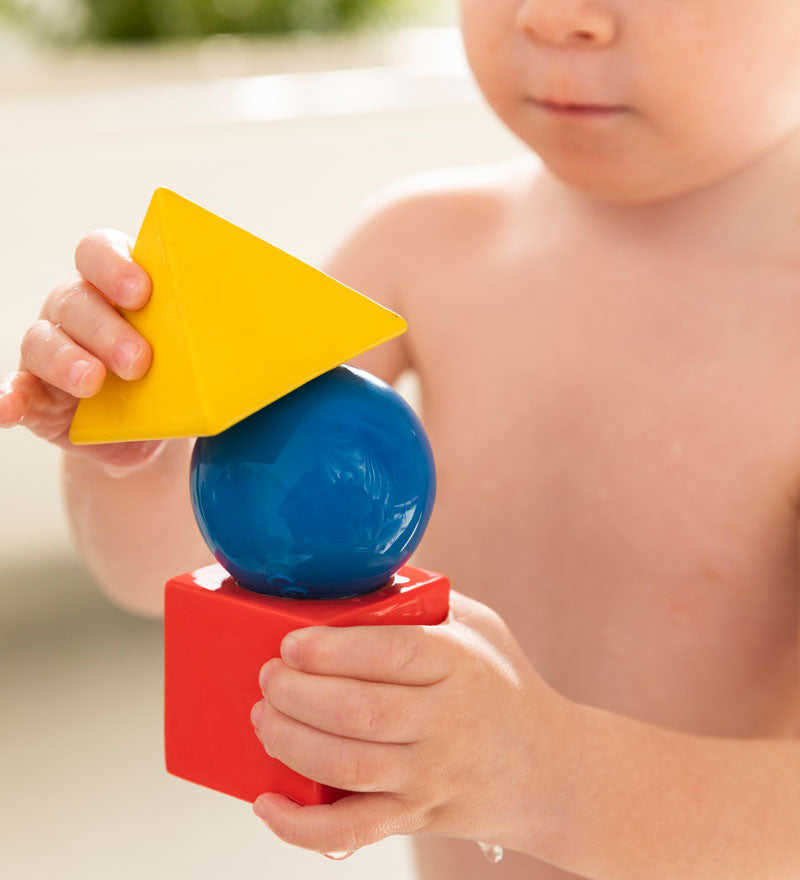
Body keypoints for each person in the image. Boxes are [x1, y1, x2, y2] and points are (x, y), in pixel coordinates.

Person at [2, 1, 799, 877]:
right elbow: (153, 569)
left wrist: (555, 776)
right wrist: (133, 449)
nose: (555, 16)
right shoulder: (422, 246)